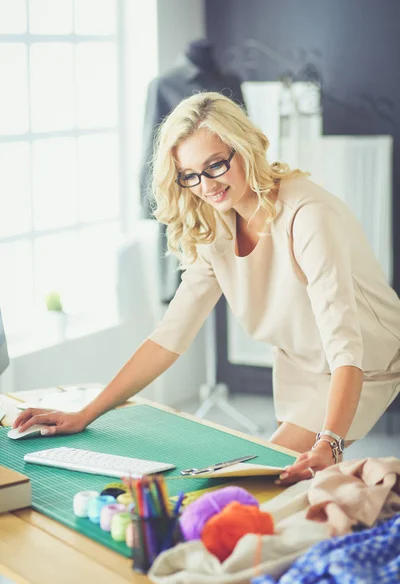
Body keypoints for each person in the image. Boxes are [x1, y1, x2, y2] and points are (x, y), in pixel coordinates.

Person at [14, 92, 400, 484]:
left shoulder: (308, 216)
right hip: (299, 359)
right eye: (191, 175)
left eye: (216, 165)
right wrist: (86, 413)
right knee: (288, 476)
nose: (206, 186)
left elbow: (344, 343)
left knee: (273, 478)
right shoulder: (215, 223)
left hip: (362, 362)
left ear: (245, 147)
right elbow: (170, 335)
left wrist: (330, 441)